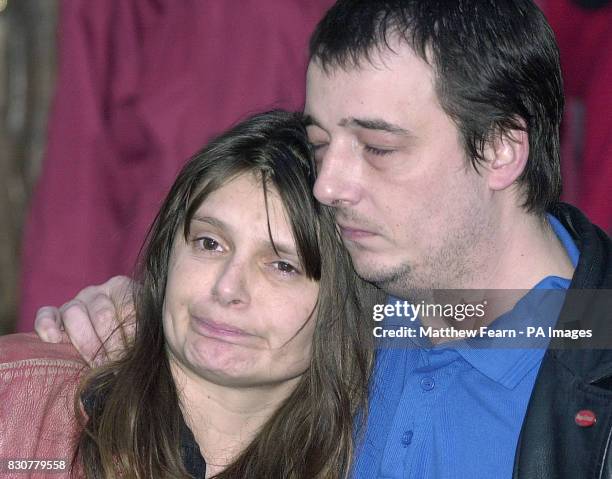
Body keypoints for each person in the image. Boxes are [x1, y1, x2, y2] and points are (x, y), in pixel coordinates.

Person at [35, 1, 612, 478]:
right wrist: (147, 316)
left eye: (378, 148)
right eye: (319, 145)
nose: (329, 186)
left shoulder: (588, 356)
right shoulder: (344, 314)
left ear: (499, 149)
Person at [2, 110, 383, 478]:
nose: (227, 287)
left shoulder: (379, 452)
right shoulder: (18, 395)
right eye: (209, 243)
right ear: (168, 254)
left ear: (343, 303)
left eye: (283, 266)